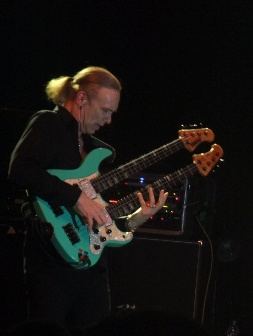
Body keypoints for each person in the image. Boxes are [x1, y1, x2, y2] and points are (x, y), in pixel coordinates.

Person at [8, 66, 168, 332]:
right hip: (51, 262)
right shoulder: (49, 123)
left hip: (92, 264)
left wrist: (135, 219)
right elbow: (20, 169)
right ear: (81, 99)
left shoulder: (94, 148)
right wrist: (76, 197)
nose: (108, 120)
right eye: (105, 110)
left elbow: (100, 215)